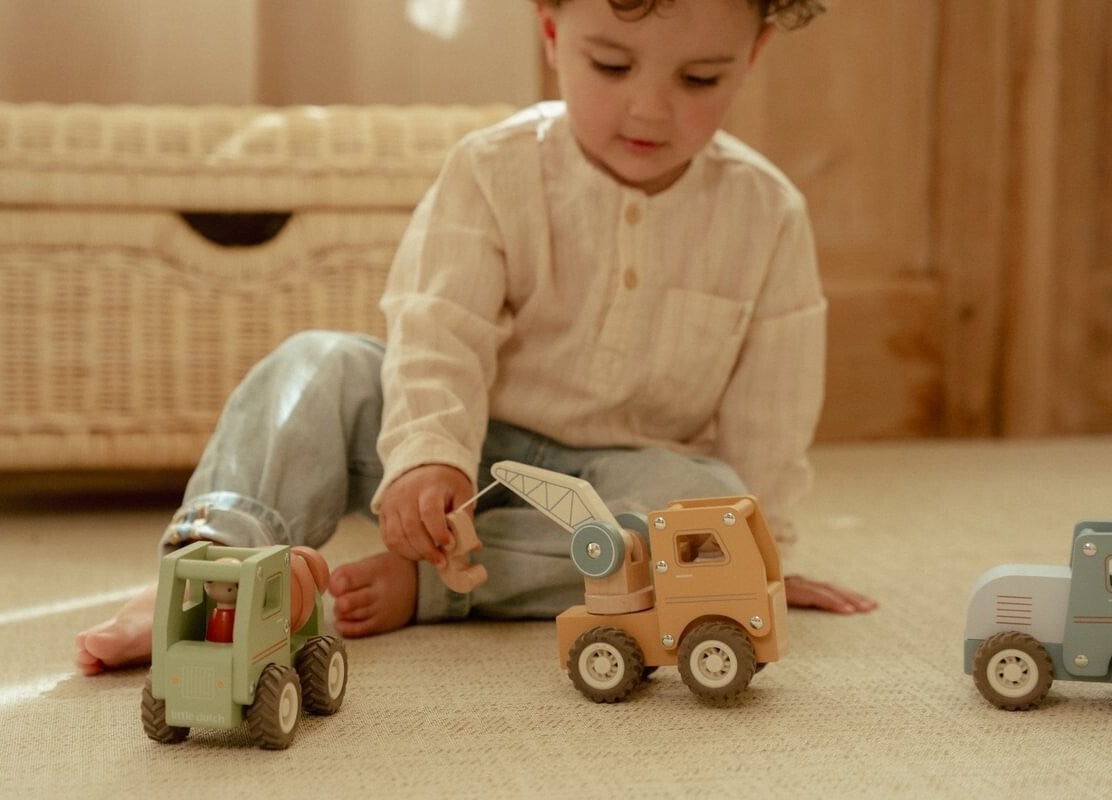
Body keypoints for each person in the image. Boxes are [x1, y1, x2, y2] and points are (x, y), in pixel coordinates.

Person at [75, 0, 876, 676]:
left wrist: (758, 557)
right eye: (611, 66)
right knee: (315, 363)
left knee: (699, 509)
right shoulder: (492, 170)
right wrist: (429, 454)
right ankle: (211, 569)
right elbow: (438, 329)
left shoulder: (768, 214)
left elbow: (773, 413)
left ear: (753, 55)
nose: (649, 109)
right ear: (552, 32)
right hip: (468, 446)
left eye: (699, 79)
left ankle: (436, 585)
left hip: (620, 481)